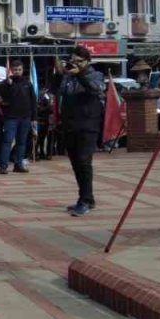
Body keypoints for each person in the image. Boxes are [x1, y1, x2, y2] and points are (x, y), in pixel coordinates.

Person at [58, 47, 106, 216]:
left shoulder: (95, 75)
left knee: (84, 162)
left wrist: (79, 74)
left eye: (79, 61)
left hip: (88, 126)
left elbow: (95, 89)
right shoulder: (68, 76)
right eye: (73, 60)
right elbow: (62, 91)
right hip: (70, 126)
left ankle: (85, 201)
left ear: (87, 61)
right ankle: (86, 197)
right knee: (76, 164)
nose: (75, 64)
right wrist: (61, 73)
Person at [0, 61, 36, 175]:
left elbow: (33, 101)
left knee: (22, 142)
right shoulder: (5, 84)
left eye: (19, 69)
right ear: (11, 71)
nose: (17, 72)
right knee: (7, 141)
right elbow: (5, 97)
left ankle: (18, 165)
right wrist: (9, 85)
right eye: (15, 70)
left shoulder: (27, 83)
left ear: (22, 70)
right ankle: (3, 166)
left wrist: (34, 117)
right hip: (11, 117)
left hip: (25, 117)